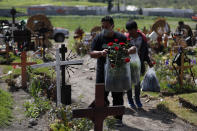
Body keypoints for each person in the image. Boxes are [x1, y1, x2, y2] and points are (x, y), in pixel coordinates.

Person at [89, 16, 136, 126]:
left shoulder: (121, 37)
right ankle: (100, 118)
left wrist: (128, 50)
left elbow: (132, 48)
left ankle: (118, 119)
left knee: (118, 96)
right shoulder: (98, 38)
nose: (104, 28)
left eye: (106, 26)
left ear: (112, 26)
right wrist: (100, 53)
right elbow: (91, 53)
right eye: (102, 26)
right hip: (102, 73)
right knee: (101, 97)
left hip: (117, 74)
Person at [125, 20, 153, 109]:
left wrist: (149, 62)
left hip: (138, 64)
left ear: (136, 29)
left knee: (137, 83)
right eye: (128, 31)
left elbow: (145, 53)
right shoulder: (127, 39)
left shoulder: (142, 39)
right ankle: (130, 100)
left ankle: (137, 99)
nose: (130, 32)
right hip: (128, 64)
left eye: (131, 30)